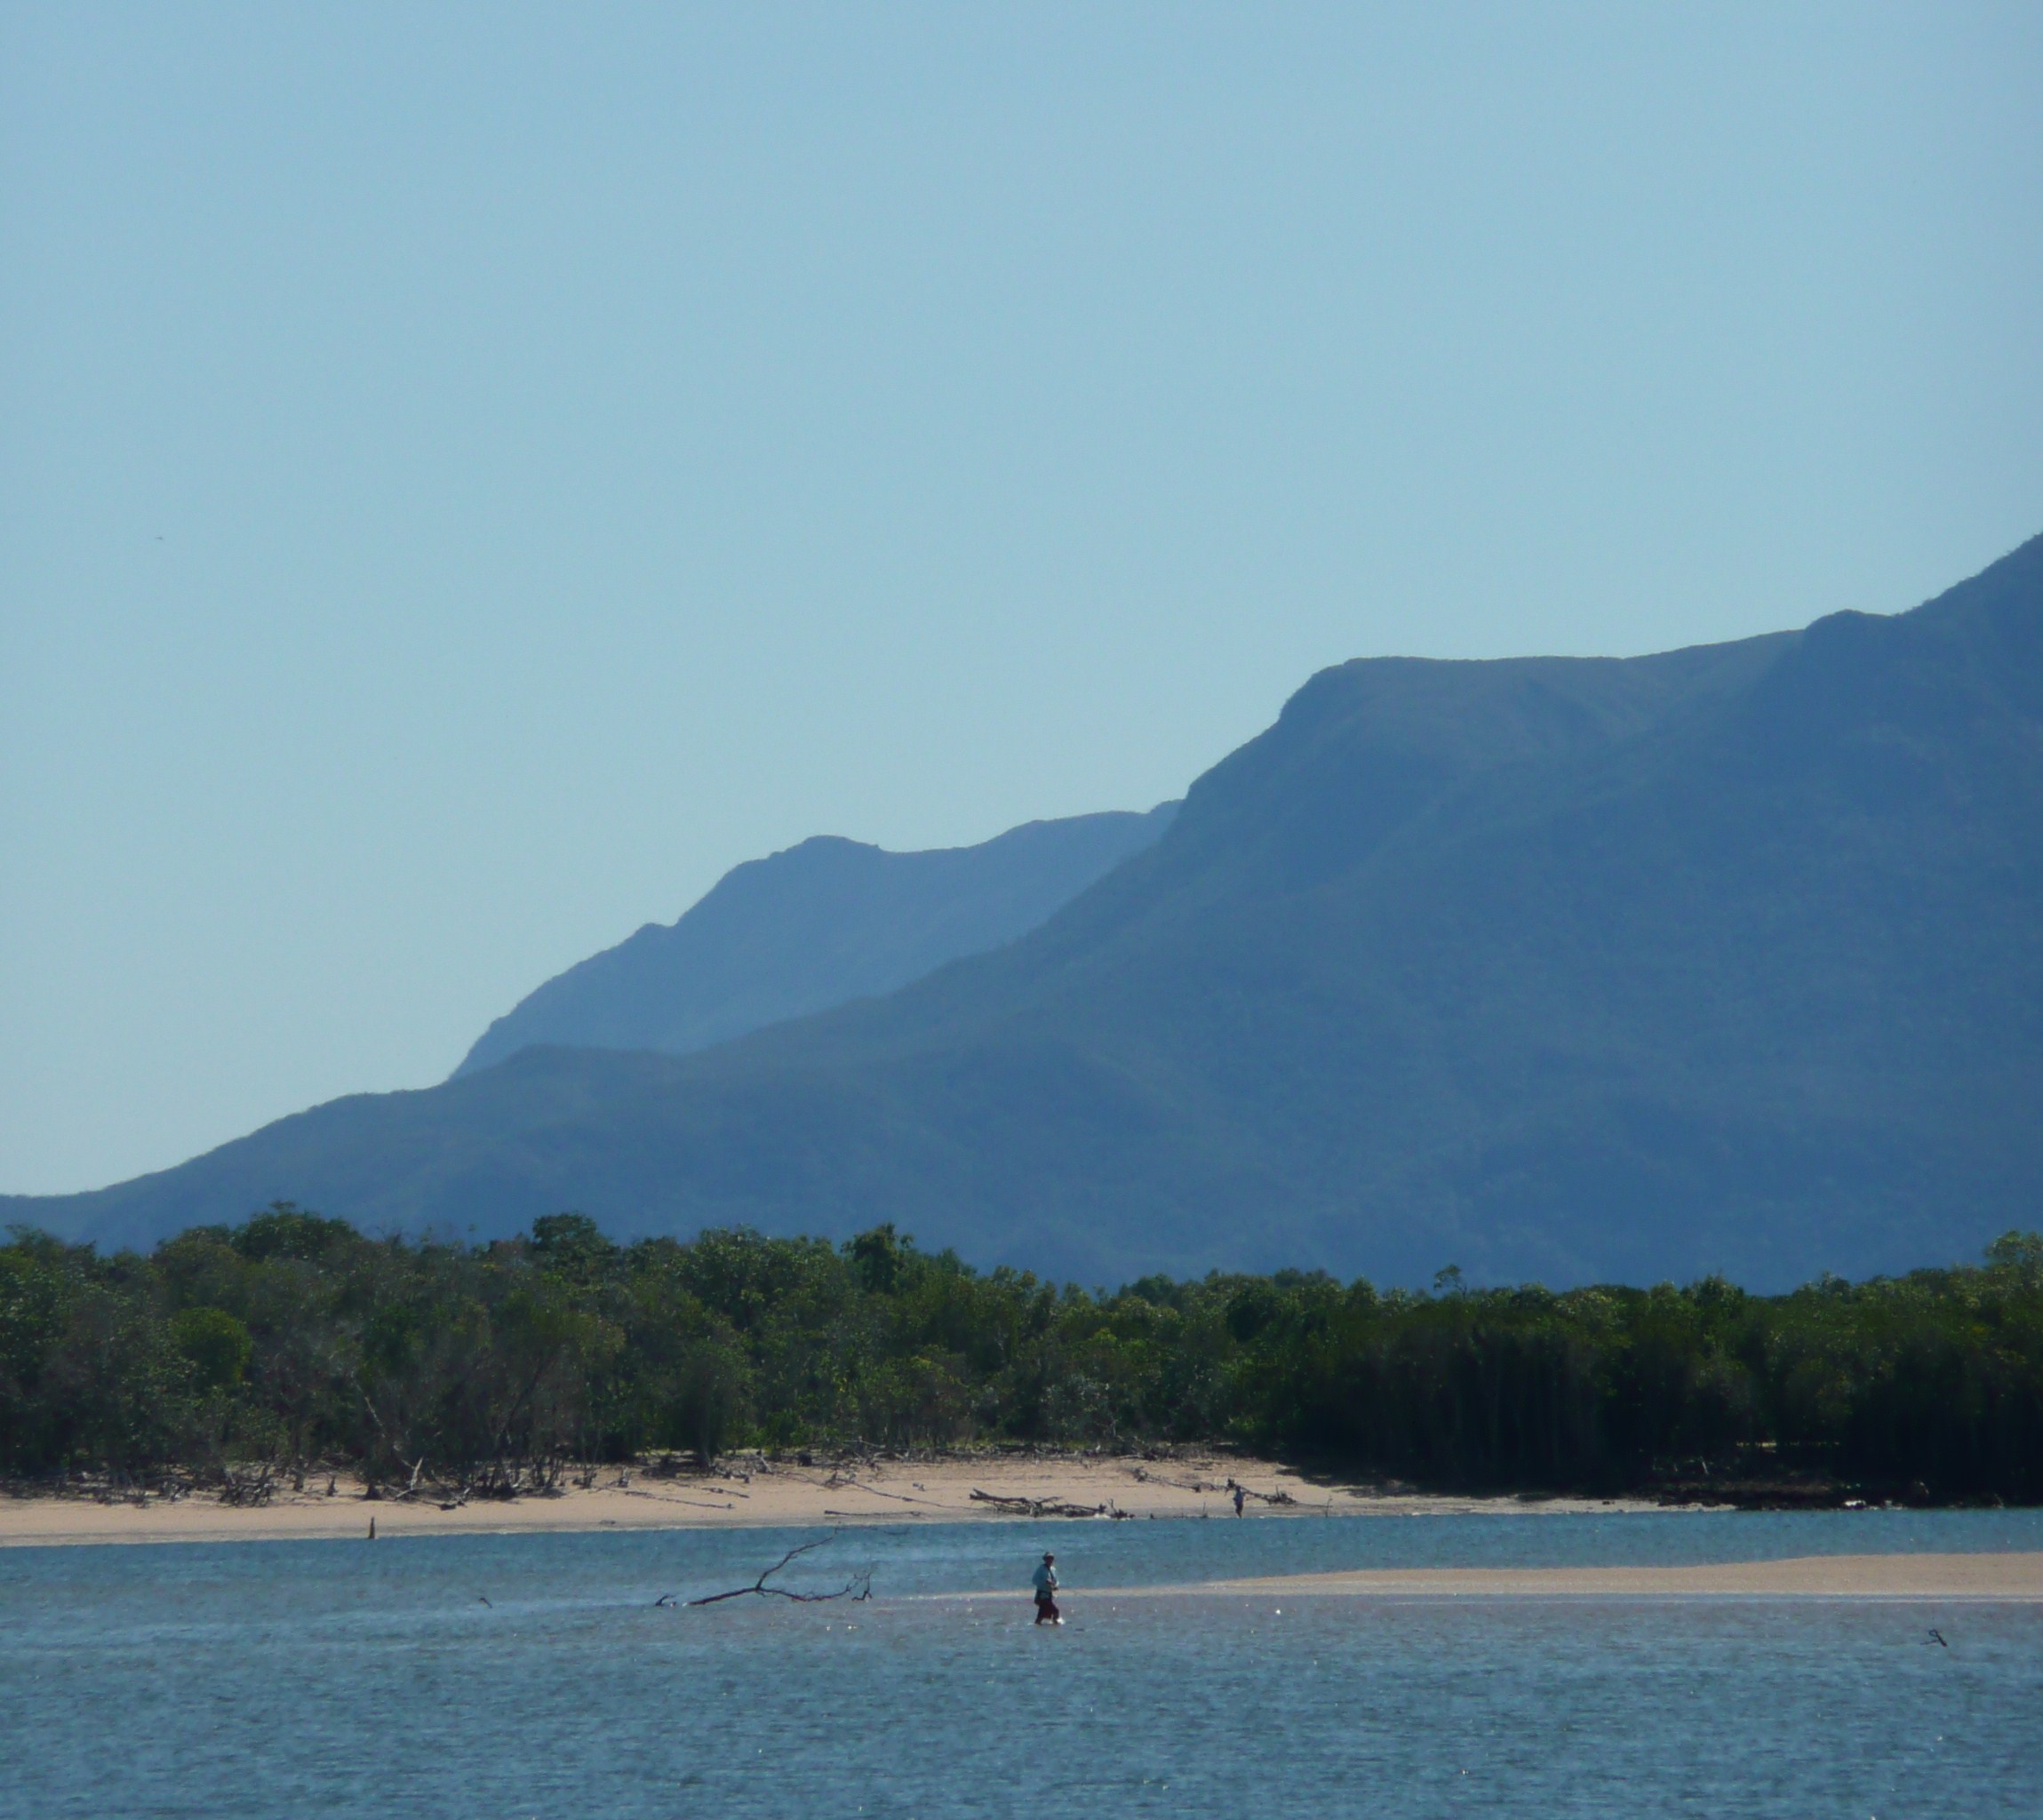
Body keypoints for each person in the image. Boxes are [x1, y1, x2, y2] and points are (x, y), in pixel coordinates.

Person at [1031, 1552, 1061, 1625]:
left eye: (1051, 1558)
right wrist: (1045, 1582)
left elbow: (1056, 1581)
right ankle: (1055, 1624)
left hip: (1049, 1595)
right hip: (1042, 1595)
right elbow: (1034, 1580)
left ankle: (1042, 1626)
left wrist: (1056, 1586)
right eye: (1048, 1558)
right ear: (1045, 1559)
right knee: (1055, 1611)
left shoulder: (1053, 1569)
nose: (1050, 1560)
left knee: (1042, 1613)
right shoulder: (1041, 1569)